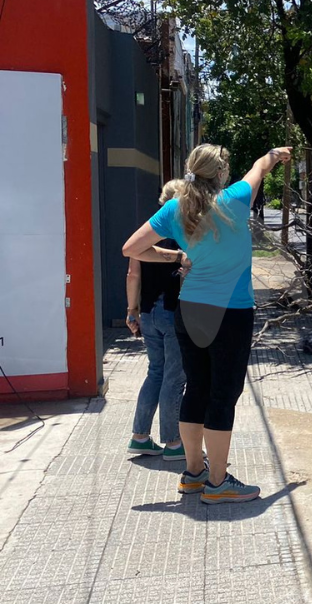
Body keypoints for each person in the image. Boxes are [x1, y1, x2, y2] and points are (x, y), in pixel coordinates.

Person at [123, 143, 291, 504]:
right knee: (222, 395)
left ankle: (194, 473)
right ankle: (218, 483)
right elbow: (259, 168)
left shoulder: (174, 208)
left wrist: (177, 254)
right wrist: (274, 155)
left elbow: (131, 248)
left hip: (189, 309)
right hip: (230, 312)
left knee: (196, 388)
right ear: (219, 173)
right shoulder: (234, 199)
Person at [126, 180, 187, 461]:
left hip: (148, 312)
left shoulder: (145, 231)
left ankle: (140, 437)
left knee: (156, 372)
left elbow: (133, 275)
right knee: (175, 378)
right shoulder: (181, 231)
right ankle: (174, 443)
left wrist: (132, 311)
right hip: (172, 311)